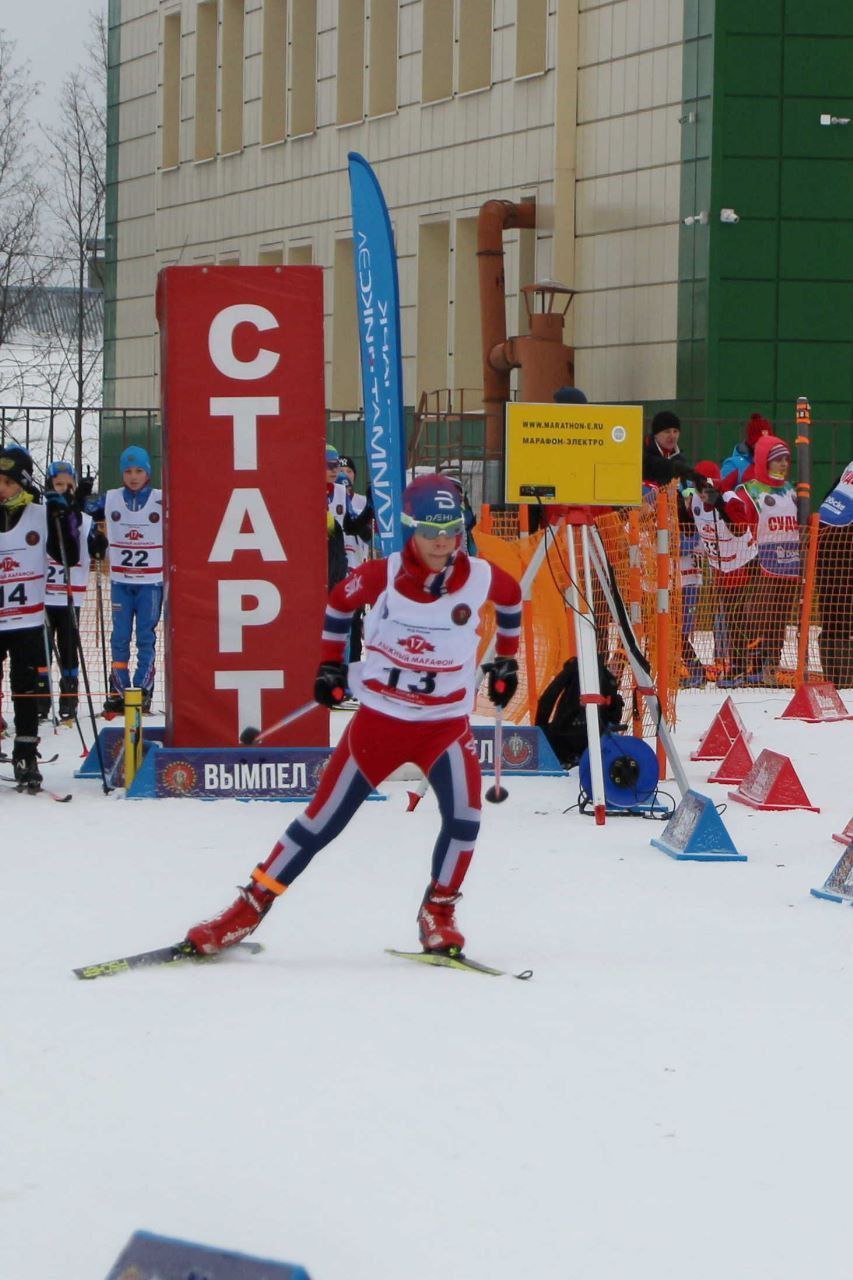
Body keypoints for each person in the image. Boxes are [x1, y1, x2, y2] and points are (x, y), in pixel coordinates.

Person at [184, 473, 523, 958]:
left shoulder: (481, 577)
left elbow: (512, 602)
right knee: (321, 823)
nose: (442, 542)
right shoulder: (385, 574)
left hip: (443, 728)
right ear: (411, 530)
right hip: (379, 726)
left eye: (450, 530)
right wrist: (329, 665)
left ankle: (439, 912)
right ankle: (245, 911)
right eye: (430, 531)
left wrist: (506, 659)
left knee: (466, 817)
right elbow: (340, 601)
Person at [0, 446, 79, 789]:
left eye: (7, 481)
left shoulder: (39, 514)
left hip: (27, 621)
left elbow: (70, 555)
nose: (1, 487)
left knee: (26, 689)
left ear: (23, 483)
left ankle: (26, 754)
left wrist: (65, 519)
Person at [87, 445, 164, 714]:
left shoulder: (160, 499)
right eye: (128, 471)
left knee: (146, 636)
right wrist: (94, 540)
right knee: (119, 637)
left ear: (148, 473)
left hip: (151, 583)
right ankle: (119, 689)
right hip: (121, 581)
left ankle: (143, 689)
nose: (133, 476)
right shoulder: (110, 498)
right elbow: (84, 516)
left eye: (139, 470)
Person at [724, 435, 799, 681]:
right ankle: (750, 665)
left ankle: (771, 664)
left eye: (786, 459)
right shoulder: (749, 491)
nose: (783, 464)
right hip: (760, 564)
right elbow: (738, 523)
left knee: (779, 617)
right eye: (777, 460)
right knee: (755, 613)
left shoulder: (791, 490)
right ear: (764, 461)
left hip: (788, 563)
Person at [683, 461, 760, 686]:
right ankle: (738, 666)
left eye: (707, 488)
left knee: (741, 619)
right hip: (721, 568)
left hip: (744, 565)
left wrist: (721, 508)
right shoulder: (695, 501)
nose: (703, 493)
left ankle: (743, 667)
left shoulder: (730, 500)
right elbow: (689, 523)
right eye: (699, 488)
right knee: (730, 618)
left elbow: (739, 528)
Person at [41, 461, 108, 720]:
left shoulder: (83, 516)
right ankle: (40, 699)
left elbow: (94, 546)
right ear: (50, 486)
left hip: (71, 593)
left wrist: (98, 543)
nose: (64, 490)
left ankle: (69, 697)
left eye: (69, 485)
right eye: (58, 485)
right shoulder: (42, 514)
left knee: (69, 648)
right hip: (44, 594)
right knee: (43, 648)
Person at [815, 459, 853, 687]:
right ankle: (846, 677)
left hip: (825, 535)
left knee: (832, 611)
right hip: (842, 540)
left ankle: (835, 676)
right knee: (842, 610)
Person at [720, 413, 772, 485]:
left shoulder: (773, 464)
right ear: (752, 442)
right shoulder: (733, 465)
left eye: (769, 442)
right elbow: (723, 490)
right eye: (761, 441)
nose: (766, 446)